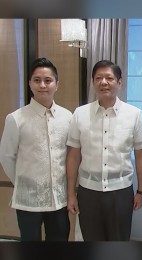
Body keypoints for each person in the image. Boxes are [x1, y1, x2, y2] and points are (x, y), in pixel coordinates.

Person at [66, 60, 142, 241]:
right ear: (93, 82)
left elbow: (140, 155)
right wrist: (71, 194)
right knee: (91, 240)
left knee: (118, 241)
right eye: (98, 78)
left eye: (109, 78)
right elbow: (73, 155)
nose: (103, 82)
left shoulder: (134, 114)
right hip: (88, 191)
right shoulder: (79, 114)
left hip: (121, 191)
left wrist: (140, 191)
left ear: (119, 83)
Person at [0, 57, 72, 241]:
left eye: (48, 80)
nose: (43, 85)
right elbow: (6, 156)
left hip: (58, 200)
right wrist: (22, 181)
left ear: (57, 84)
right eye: (37, 80)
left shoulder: (67, 117)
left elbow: (70, 155)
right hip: (28, 201)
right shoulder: (16, 118)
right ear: (30, 84)